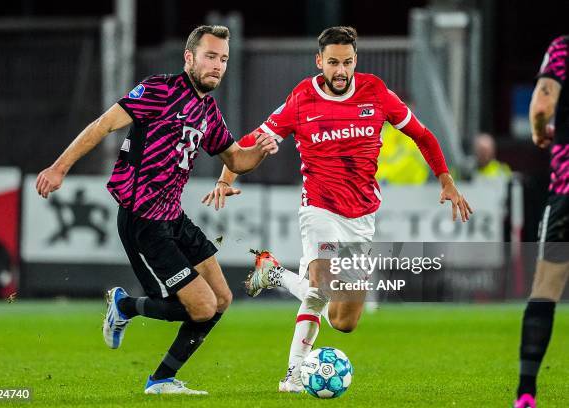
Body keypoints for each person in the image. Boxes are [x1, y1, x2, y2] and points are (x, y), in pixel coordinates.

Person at [202, 26, 472, 393]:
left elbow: (422, 135)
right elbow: (252, 141)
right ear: (320, 62)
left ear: (355, 61)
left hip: (361, 217)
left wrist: (445, 179)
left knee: (344, 320)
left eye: (347, 62)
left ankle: (275, 275)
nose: (340, 70)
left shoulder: (375, 92)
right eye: (333, 63)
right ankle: (293, 375)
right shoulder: (301, 99)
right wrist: (224, 177)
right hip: (320, 208)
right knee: (320, 280)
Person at [35, 25, 278, 396]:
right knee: (200, 308)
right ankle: (132, 318)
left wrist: (259, 151)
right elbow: (102, 125)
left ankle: (159, 374)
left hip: (172, 216)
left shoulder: (208, 110)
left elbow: (236, 159)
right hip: (142, 219)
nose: (218, 65)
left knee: (222, 300)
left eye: (224, 59)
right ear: (189, 57)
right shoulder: (159, 90)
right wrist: (59, 167)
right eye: (210, 56)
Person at [514, 35, 568, 408]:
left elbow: (543, 101)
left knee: (545, 290)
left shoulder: (563, 49)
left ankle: (526, 393)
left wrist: (537, 130)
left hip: (567, 190)